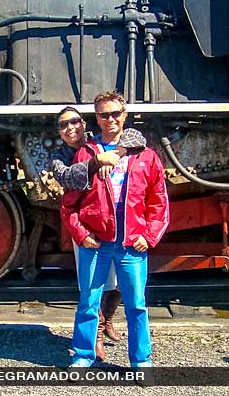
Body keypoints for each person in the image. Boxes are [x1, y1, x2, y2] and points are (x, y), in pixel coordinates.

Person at [61, 90, 169, 371]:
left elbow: (158, 202)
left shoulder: (146, 155)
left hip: (132, 243)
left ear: (125, 115)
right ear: (95, 118)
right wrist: (81, 234)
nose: (110, 119)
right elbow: (69, 203)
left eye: (115, 113)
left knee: (137, 305)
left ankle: (140, 361)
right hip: (96, 242)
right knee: (88, 301)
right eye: (103, 114)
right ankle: (83, 355)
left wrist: (150, 235)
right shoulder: (86, 154)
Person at [49, 106, 147, 361]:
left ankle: (108, 321)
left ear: (84, 123)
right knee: (90, 289)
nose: (70, 128)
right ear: (58, 132)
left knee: (117, 284)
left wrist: (115, 153)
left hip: (117, 227)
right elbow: (67, 178)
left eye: (74, 122)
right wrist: (97, 163)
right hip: (85, 225)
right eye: (63, 125)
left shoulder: (99, 140)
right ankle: (95, 339)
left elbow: (135, 136)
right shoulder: (60, 155)